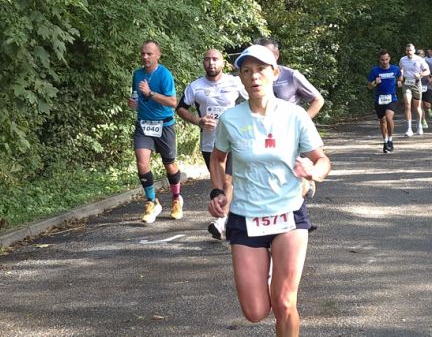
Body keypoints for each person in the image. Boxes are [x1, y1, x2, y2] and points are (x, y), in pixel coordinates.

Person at [208, 44, 331, 336]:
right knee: (255, 312)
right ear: (240, 77)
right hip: (246, 217)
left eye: (261, 69)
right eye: (247, 71)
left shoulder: (295, 115)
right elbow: (217, 158)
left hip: (288, 214)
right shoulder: (230, 119)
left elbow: (322, 160)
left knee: (285, 302)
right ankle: (268, 273)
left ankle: (279, 285)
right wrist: (218, 192)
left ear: (275, 73)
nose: (254, 76)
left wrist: (313, 173)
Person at [176, 49, 247, 239]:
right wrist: (198, 120)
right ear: (203, 63)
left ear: (223, 63)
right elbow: (180, 108)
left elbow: (254, 102)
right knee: (219, 184)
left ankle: (221, 221)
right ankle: (230, 217)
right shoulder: (195, 86)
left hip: (234, 141)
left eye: (215, 59)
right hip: (210, 143)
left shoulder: (235, 82)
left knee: (228, 181)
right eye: (207, 59)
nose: (211, 62)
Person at [254, 37, 324, 200]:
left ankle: (299, 200)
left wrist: (301, 121)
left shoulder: (291, 75)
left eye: (266, 54)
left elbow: (318, 99)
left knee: (293, 177)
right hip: (262, 131)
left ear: (276, 55)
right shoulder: (251, 78)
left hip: (289, 133)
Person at [128, 40, 183, 223]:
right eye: (143, 53)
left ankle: (176, 198)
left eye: (149, 54)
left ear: (158, 55)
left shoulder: (165, 75)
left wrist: (150, 93)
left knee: (170, 164)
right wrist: (133, 103)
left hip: (164, 125)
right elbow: (137, 98)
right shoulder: (137, 74)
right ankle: (152, 202)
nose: (145, 57)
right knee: (142, 162)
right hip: (144, 125)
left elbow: (173, 102)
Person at [367, 49, 402, 153]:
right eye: (382, 60)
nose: (385, 62)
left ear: (389, 59)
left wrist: (400, 81)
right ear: (379, 60)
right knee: (382, 121)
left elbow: (400, 76)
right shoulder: (375, 71)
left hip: (392, 98)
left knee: (388, 117)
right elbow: (369, 86)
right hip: (379, 99)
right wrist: (374, 82)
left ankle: (390, 140)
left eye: (386, 59)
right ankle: (385, 141)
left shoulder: (395, 68)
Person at [399, 43, 430, 136]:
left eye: (411, 50)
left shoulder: (419, 59)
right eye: (408, 50)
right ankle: (409, 129)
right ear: (405, 51)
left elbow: (427, 71)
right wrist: (400, 79)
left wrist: (420, 74)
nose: (409, 52)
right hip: (407, 84)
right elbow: (401, 70)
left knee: (417, 107)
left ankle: (419, 125)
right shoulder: (402, 59)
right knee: (407, 105)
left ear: (414, 50)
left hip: (416, 83)